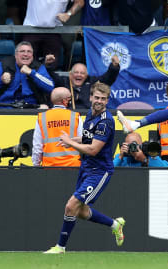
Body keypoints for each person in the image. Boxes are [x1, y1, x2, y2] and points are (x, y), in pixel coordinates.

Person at [43, 82, 125, 254]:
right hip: (86, 168)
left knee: (70, 205)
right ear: (90, 97)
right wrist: (73, 139)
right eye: (96, 97)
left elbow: (93, 149)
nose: (99, 101)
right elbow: (88, 138)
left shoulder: (106, 122)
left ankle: (60, 247)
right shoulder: (90, 114)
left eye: (103, 99)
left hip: (100, 171)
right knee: (80, 211)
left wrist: (71, 143)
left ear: (107, 101)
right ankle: (114, 224)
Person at [0, 41, 55, 109]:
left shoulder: (38, 67)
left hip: (30, 107)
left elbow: (50, 86)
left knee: (44, 107)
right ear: (16, 55)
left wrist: (32, 73)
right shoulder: (4, 64)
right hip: (4, 107)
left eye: (29, 52)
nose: (26, 54)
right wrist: (1, 80)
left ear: (32, 56)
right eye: (22, 51)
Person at [32, 87, 82, 167]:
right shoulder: (75, 116)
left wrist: (36, 165)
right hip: (73, 166)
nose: (70, 100)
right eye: (69, 98)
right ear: (64, 101)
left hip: (49, 166)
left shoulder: (42, 117)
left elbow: (37, 146)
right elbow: (82, 140)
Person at [53, 55, 120, 109]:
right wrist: (49, 65)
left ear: (86, 76)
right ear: (70, 75)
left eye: (82, 73)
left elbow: (107, 79)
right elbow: (52, 76)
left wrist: (114, 67)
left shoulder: (92, 82)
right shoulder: (63, 82)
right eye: (76, 72)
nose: (79, 75)